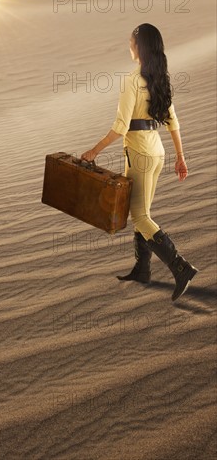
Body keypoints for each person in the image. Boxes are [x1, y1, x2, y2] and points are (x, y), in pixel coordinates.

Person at [80, 23, 199, 301]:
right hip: (156, 152)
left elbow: (121, 127)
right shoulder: (160, 78)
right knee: (140, 211)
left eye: (131, 43)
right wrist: (180, 157)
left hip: (139, 154)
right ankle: (142, 269)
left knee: (141, 216)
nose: (129, 47)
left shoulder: (131, 80)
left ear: (138, 47)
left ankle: (180, 267)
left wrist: (94, 151)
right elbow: (173, 121)